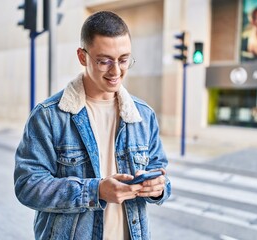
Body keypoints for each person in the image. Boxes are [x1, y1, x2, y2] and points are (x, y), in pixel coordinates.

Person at [14, 10, 171, 240]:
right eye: (104, 61)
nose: (116, 71)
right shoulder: (49, 116)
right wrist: (96, 191)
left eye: (124, 59)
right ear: (82, 57)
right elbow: (28, 185)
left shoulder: (143, 115)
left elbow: (162, 176)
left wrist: (157, 189)